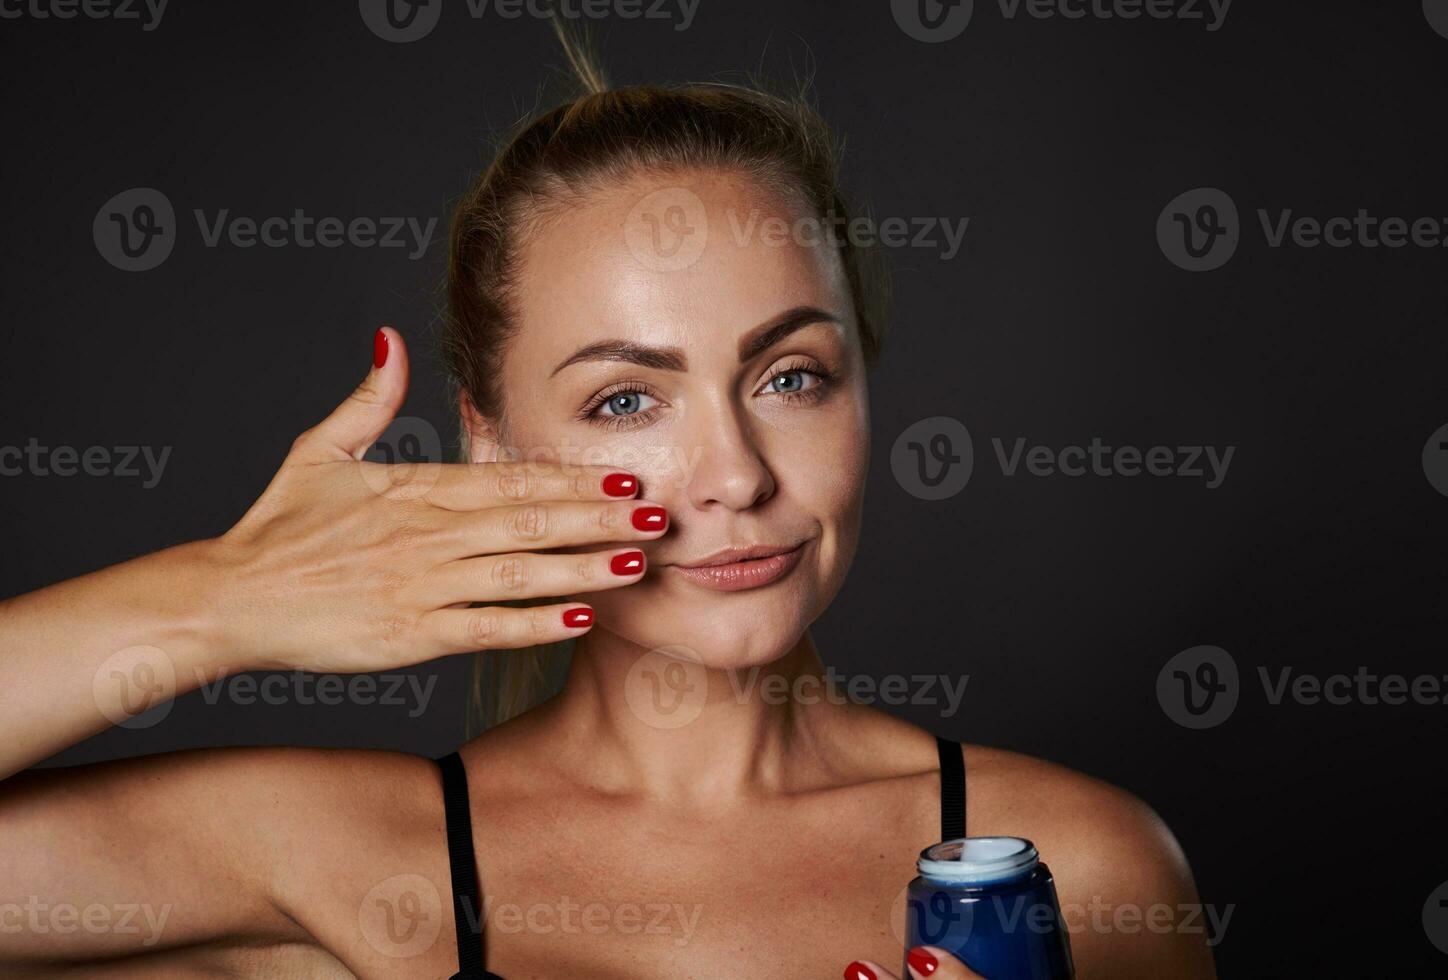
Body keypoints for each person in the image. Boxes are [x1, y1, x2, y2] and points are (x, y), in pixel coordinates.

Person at [0, 28, 1216, 980]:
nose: (736, 472)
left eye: (789, 377)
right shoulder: (345, 852)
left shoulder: (1081, 864)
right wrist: (229, 597)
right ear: (490, 442)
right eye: (626, 401)